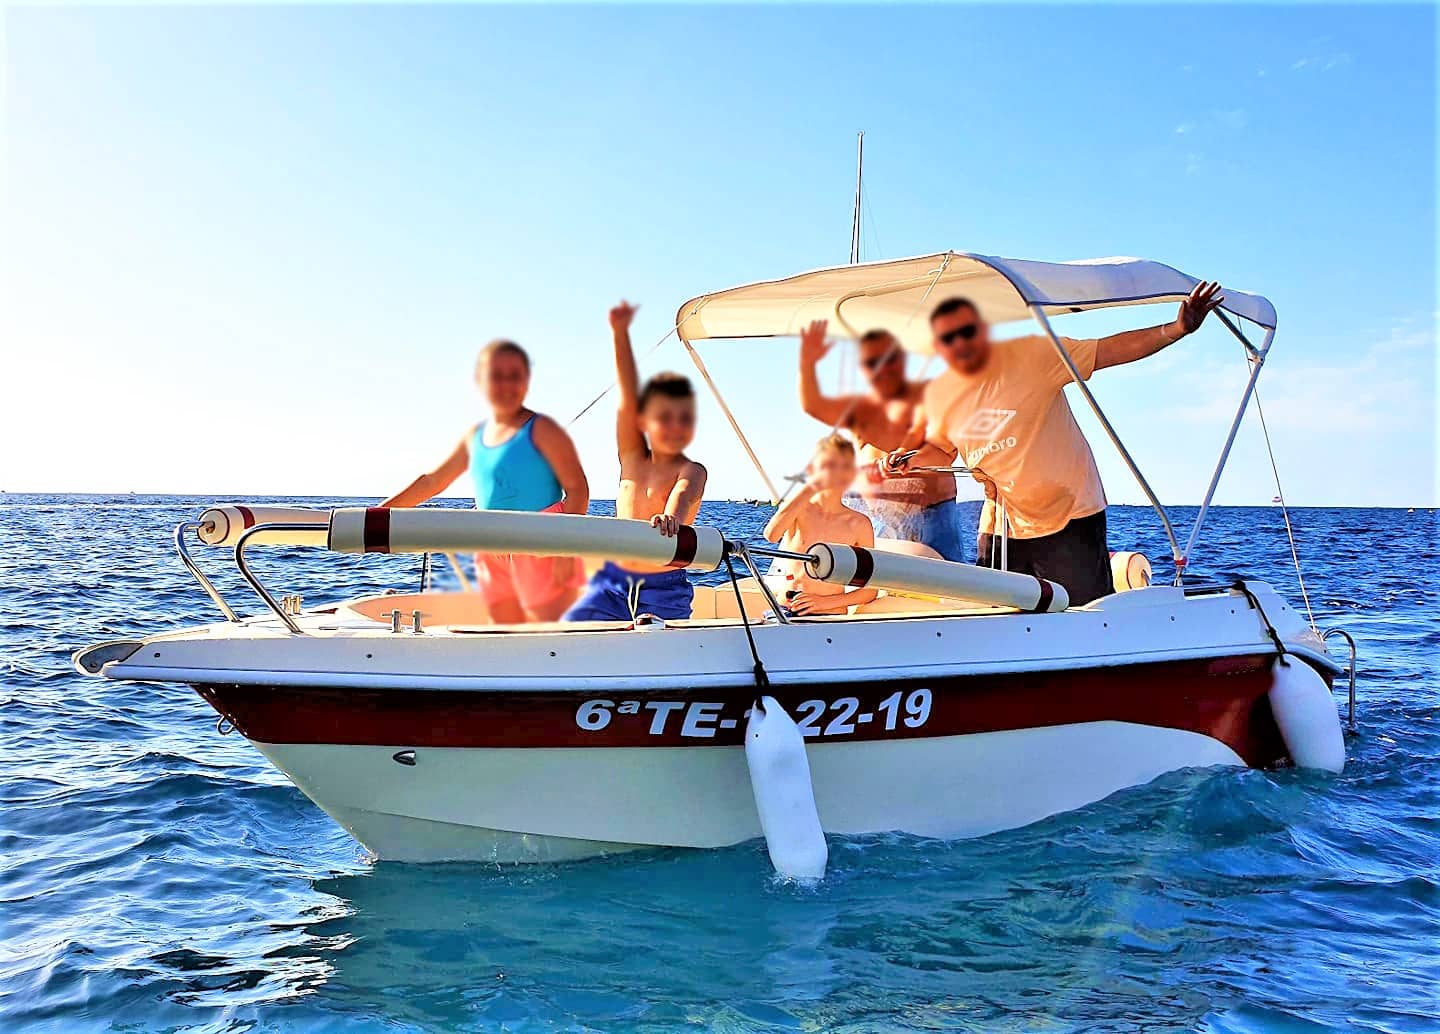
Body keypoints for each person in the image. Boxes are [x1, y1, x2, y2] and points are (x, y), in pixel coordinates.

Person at [885, 282, 1225, 606]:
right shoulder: (940, 392)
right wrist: (906, 460)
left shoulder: (1032, 354)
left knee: (1083, 617)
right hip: (1001, 524)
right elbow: (942, 449)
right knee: (998, 618)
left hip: (1068, 514)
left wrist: (1175, 329)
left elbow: (1108, 350)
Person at [381, 339, 589, 623]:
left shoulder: (544, 429)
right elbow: (432, 482)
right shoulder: (475, 436)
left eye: (514, 376)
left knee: (544, 630)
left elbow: (578, 489)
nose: (505, 385)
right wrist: (376, 516)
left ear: (526, 382)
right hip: (491, 543)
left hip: (542, 543)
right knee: (503, 624)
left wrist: (565, 549)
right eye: (496, 376)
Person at [564, 301, 708, 622]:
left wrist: (671, 518)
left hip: (664, 586)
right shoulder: (631, 456)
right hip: (613, 583)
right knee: (571, 630)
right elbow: (628, 394)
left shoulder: (692, 470)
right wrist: (619, 334)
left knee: (654, 646)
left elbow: (683, 496)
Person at [798, 320, 966, 561]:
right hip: (879, 520)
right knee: (878, 590)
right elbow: (813, 405)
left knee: (950, 591)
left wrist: (909, 458)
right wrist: (808, 363)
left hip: (934, 517)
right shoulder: (860, 410)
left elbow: (947, 451)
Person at [764, 434, 879, 615]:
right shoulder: (799, 509)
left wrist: (823, 603)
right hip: (785, 608)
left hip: (829, 613)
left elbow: (870, 590)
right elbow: (771, 535)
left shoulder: (859, 524)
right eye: (828, 466)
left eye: (843, 467)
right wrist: (809, 489)